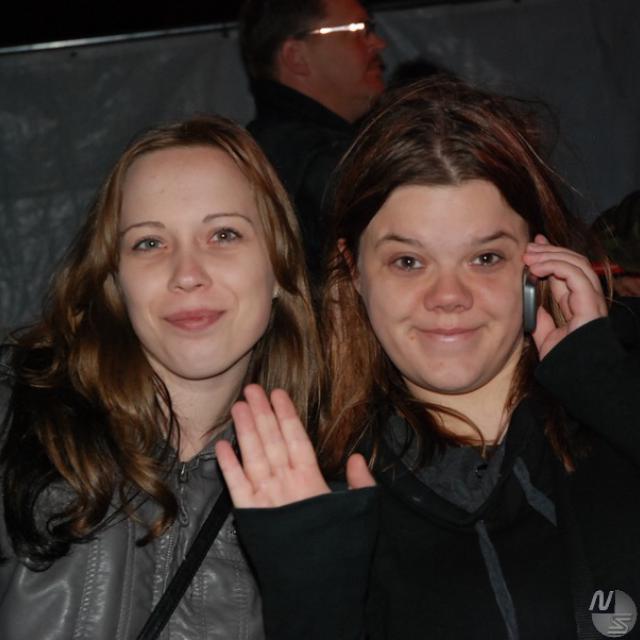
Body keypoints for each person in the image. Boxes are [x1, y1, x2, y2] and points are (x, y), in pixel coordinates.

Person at [215, 78, 640, 640]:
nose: (448, 296)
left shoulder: (614, 400)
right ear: (354, 271)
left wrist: (605, 385)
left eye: (485, 257)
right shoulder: (315, 483)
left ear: (537, 262)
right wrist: (311, 596)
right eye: (409, 262)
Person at [0, 115, 320, 639]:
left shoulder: (341, 467)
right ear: (114, 280)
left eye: (223, 234)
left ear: (279, 268)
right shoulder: (15, 421)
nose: (187, 274)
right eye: (149, 243)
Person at [239, 0, 386, 283]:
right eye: (358, 29)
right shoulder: (321, 159)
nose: (378, 43)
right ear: (296, 56)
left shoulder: (260, 148)